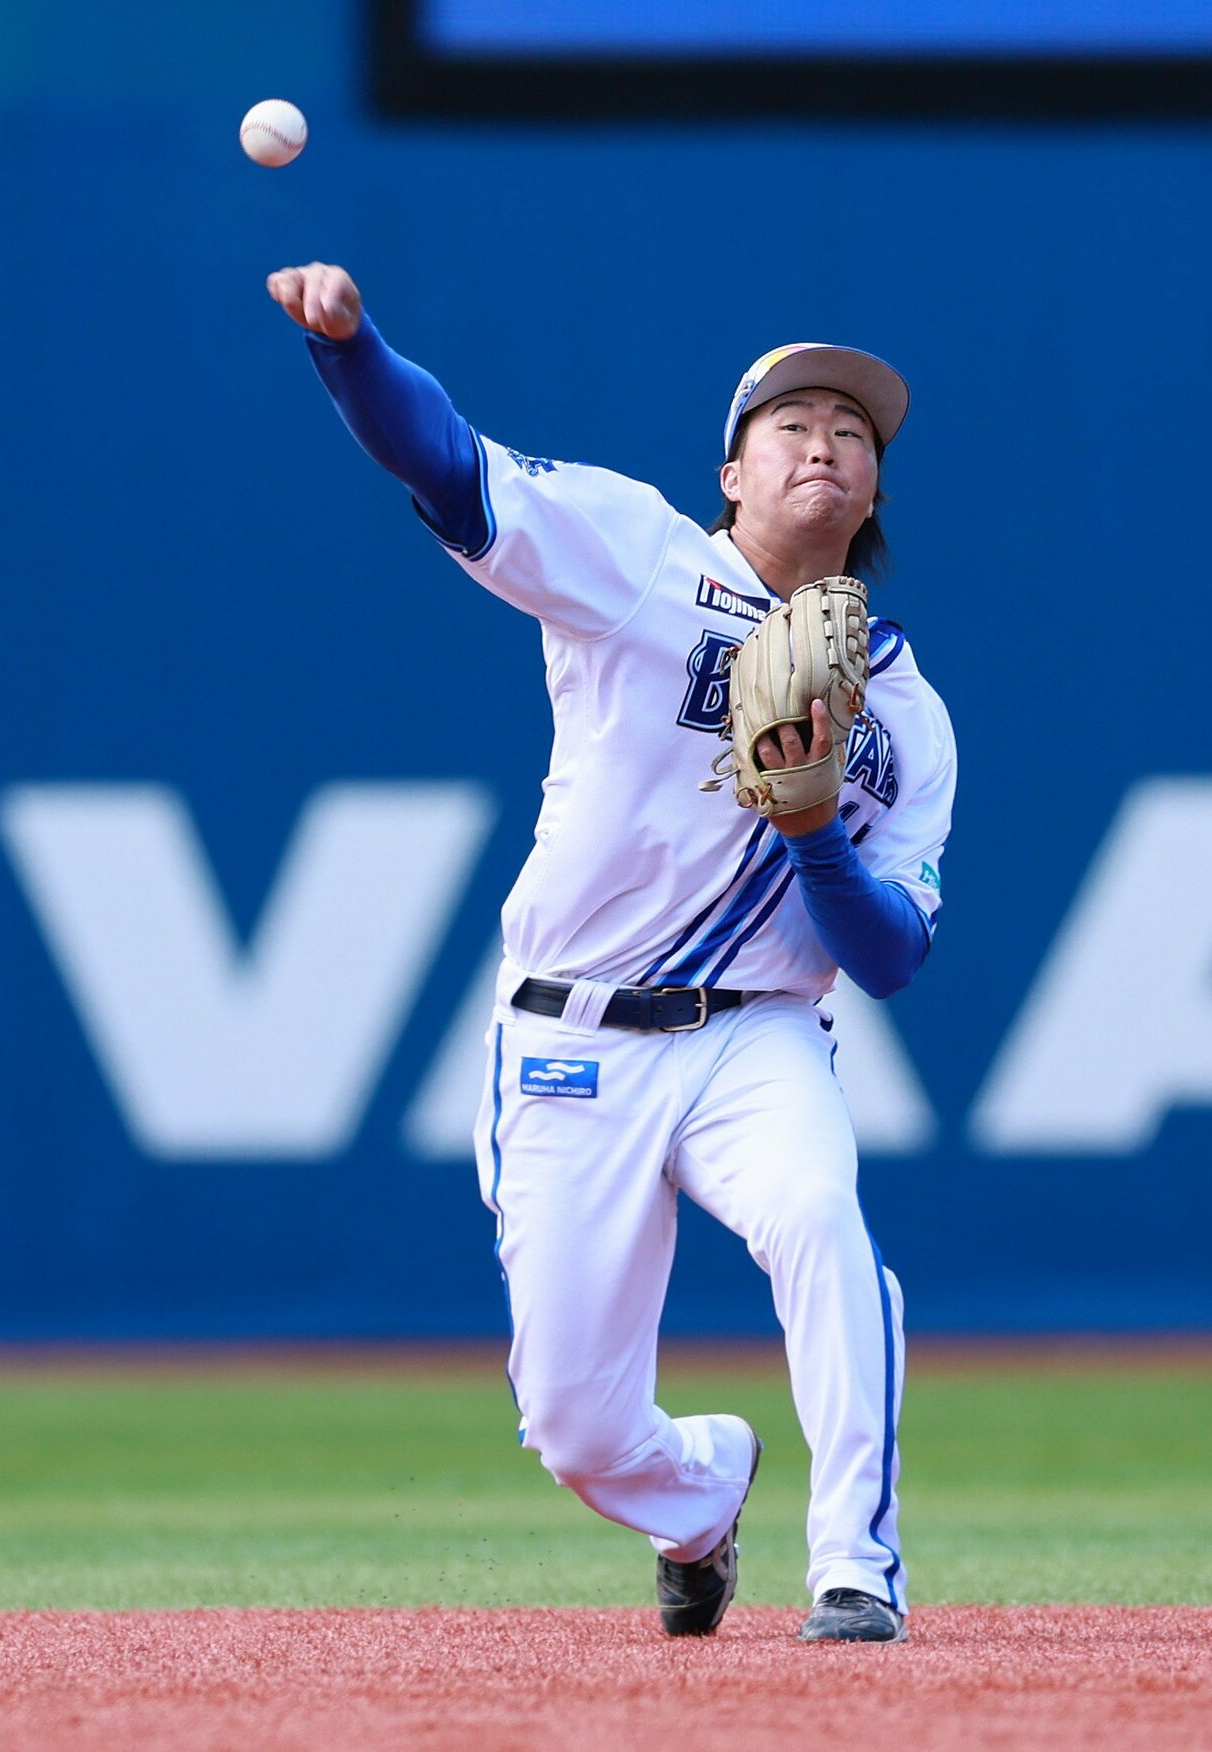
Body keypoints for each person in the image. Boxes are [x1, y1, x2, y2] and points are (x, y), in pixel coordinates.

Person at [268, 262, 956, 1643]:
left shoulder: (906, 713)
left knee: (821, 1218)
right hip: (572, 1033)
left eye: (853, 433)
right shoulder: (645, 558)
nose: (823, 442)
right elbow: (450, 469)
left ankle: (854, 1565)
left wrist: (817, 834)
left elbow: (889, 960)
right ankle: (701, 1497)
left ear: (872, 494)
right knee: (576, 1425)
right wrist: (350, 346)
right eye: (792, 424)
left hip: (756, 1027)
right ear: (732, 474)